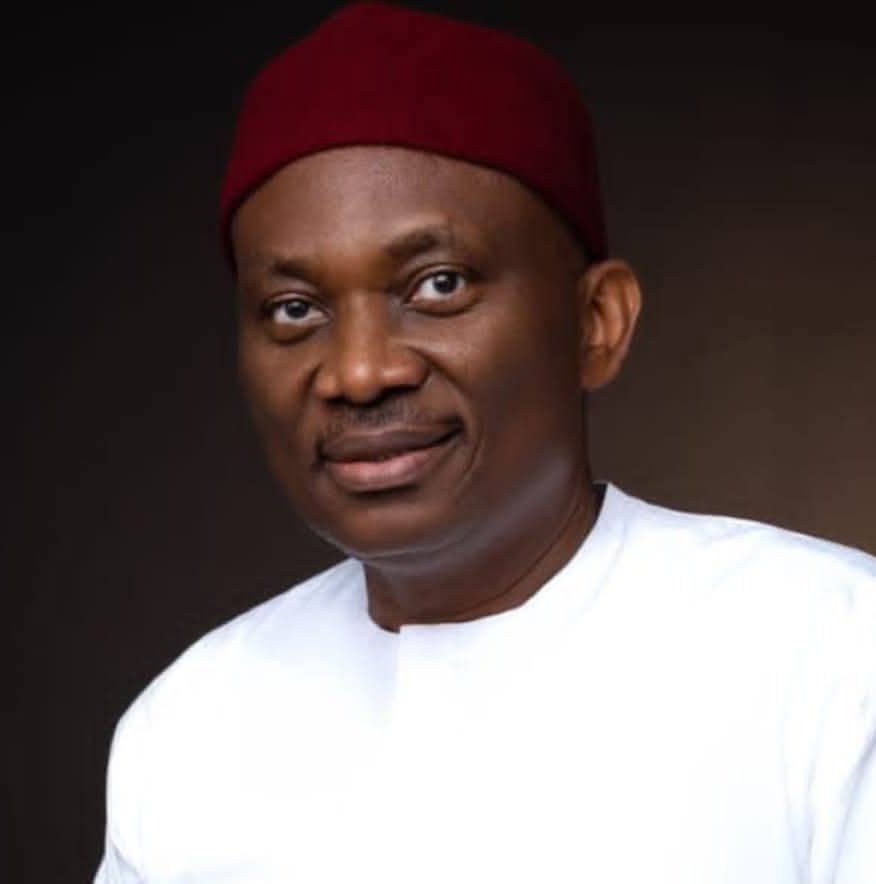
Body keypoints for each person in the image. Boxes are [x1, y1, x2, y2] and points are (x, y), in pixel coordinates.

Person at [95, 3, 876, 882]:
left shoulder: (834, 663)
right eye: (295, 308)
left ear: (596, 321)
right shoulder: (190, 728)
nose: (359, 372)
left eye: (438, 285)